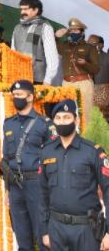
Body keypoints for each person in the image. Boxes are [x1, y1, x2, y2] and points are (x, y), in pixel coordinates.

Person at [39, 99, 109, 251]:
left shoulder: (92, 151)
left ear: (76, 120)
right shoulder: (46, 151)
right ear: (53, 122)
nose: (62, 122)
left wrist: (108, 232)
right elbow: (42, 194)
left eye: (67, 117)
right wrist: (44, 230)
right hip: (56, 229)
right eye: (58, 118)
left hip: (86, 230)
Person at [1, 80, 54, 251]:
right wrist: (7, 190)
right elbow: (6, 159)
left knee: (43, 236)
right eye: (14, 95)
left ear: (30, 97)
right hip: (15, 185)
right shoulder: (8, 123)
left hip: (36, 184)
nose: (16, 98)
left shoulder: (44, 124)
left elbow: (53, 159)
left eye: (19, 95)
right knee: (22, 238)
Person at [55, 18, 99, 128]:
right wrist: (56, 36)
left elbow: (96, 69)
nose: (73, 32)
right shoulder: (64, 45)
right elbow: (49, 46)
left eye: (76, 30)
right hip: (67, 83)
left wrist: (85, 64)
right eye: (71, 30)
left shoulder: (90, 47)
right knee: (66, 112)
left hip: (84, 83)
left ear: (82, 32)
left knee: (85, 114)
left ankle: (85, 140)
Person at [11, 0, 59, 85]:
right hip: (18, 76)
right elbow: (13, 53)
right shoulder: (17, 28)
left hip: (38, 79)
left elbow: (52, 56)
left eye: (25, 9)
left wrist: (48, 79)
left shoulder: (45, 27)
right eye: (21, 9)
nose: (22, 12)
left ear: (36, 10)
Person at [87, 35, 109, 120]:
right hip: (87, 88)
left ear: (101, 45)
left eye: (94, 43)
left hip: (103, 90)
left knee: (102, 117)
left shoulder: (107, 57)